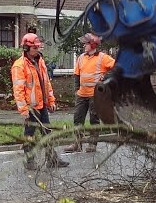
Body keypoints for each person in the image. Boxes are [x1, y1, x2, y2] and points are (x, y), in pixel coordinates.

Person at [12, 33, 68, 169]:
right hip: (30, 107)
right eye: (34, 48)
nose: (37, 50)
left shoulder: (40, 61)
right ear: (26, 48)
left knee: (46, 132)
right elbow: (18, 90)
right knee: (29, 134)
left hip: (41, 105)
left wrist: (51, 100)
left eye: (38, 47)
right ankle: (29, 160)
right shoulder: (19, 66)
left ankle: (52, 159)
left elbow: (46, 83)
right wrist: (24, 110)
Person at [66, 32, 115, 153]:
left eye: (86, 44)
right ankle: (77, 144)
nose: (84, 46)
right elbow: (77, 75)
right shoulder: (81, 58)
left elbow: (117, 67)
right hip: (82, 95)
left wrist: (107, 76)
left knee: (94, 120)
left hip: (95, 96)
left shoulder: (103, 58)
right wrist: (77, 90)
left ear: (93, 45)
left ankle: (92, 144)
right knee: (77, 119)